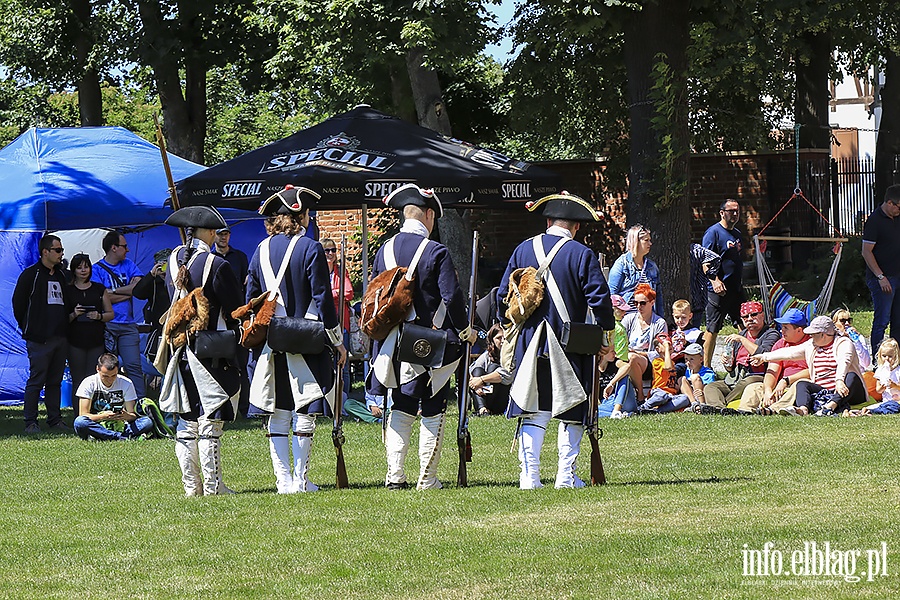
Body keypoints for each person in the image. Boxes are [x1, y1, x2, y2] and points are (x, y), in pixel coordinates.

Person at [497, 192, 614, 489]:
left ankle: (529, 476)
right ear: (576, 227)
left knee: (532, 406)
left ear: (549, 221)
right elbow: (599, 301)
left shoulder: (522, 250)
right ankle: (565, 476)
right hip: (570, 343)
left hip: (528, 344)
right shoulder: (581, 254)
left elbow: (502, 297)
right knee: (572, 408)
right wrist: (605, 334)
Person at [367, 184, 472, 491]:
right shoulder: (436, 251)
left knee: (400, 406)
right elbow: (451, 297)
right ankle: (427, 479)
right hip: (430, 340)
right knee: (433, 406)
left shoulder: (383, 250)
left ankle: (395, 477)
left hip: (393, 341)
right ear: (428, 214)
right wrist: (464, 330)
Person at [247, 186, 347, 494]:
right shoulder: (310, 248)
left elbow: (251, 298)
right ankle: (301, 481)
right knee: (304, 410)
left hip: (272, 340)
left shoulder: (259, 249)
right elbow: (323, 298)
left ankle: (283, 481)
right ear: (301, 215)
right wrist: (337, 340)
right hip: (306, 337)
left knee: (278, 412)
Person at [159, 206, 244, 496]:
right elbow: (234, 309)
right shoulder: (215, 264)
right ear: (209, 233)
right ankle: (213, 486)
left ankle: (191, 488)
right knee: (210, 421)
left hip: (180, 349)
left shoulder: (173, 260)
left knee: (187, 420)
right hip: (211, 349)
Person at [12, 234, 71, 433]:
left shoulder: (62, 275)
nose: (61, 254)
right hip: (39, 339)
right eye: (58, 250)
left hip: (60, 337)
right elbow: (18, 304)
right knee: (37, 380)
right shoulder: (31, 275)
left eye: (61, 250)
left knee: (55, 381)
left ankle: (55, 420)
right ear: (45, 252)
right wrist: (30, 327)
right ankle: (30, 421)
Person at [751, 316, 865, 416]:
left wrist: (839, 381)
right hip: (825, 391)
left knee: (851, 376)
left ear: (823, 335)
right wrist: (763, 357)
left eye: (813, 334)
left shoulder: (843, 343)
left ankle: (830, 407)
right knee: (802, 384)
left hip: (847, 391)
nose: (810, 337)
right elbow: (790, 353)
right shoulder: (812, 345)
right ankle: (802, 410)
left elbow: (844, 362)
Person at [698, 301, 780, 413]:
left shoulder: (771, 334)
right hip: (735, 377)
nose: (750, 319)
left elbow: (763, 354)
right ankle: (719, 409)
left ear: (762, 315)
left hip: (757, 375)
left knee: (747, 383)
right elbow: (730, 368)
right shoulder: (741, 335)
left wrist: (742, 340)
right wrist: (726, 362)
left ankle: (722, 407)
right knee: (711, 387)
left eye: (754, 314)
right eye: (745, 317)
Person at [92, 231, 145, 399]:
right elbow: (101, 298)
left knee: (133, 366)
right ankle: (109, 401)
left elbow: (138, 288)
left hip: (128, 325)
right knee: (108, 367)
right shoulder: (96, 269)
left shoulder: (128, 264)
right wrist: (126, 292)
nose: (128, 250)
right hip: (107, 324)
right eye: (124, 246)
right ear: (113, 248)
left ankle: (140, 403)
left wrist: (112, 292)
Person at [731, 308, 810, 415]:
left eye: (786, 328)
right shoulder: (780, 344)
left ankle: (773, 409)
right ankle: (744, 411)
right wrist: (768, 390)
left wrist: (786, 380)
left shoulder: (811, 344)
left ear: (799, 330)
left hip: (799, 384)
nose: (782, 331)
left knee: (799, 385)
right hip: (781, 386)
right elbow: (772, 369)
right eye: (782, 327)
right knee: (754, 387)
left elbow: (813, 371)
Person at [66, 254, 114, 416]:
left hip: (96, 341)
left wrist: (98, 316)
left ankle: (95, 412)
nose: (83, 270)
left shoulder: (99, 289)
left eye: (86, 266)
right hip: (75, 342)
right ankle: (78, 414)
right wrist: (74, 314)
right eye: (79, 267)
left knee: (95, 378)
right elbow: (62, 319)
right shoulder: (68, 290)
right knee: (78, 379)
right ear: (73, 270)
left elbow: (110, 314)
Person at [213, 226, 251, 418]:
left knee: (241, 364)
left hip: (238, 317)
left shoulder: (240, 257)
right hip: (218, 319)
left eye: (226, 234)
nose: (223, 237)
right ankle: (223, 406)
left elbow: (246, 284)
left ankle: (243, 407)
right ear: (214, 236)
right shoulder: (210, 259)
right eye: (220, 234)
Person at [701, 199, 745, 367]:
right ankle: (705, 367)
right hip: (718, 290)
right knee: (713, 329)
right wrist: (714, 280)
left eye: (737, 211)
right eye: (731, 210)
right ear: (722, 212)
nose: (735, 214)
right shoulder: (713, 233)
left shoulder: (737, 234)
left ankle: (747, 362)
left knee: (745, 324)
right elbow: (704, 261)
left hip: (736, 289)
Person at [72, 353, 153, 441]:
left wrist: (126, 416)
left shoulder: (126, 383)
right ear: (97, 369)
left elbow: (133, 415)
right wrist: (103, 416)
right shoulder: (88, 383)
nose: (110, 380)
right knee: (80, 422)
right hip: (97, 424)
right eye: (105, 376)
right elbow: (83, 414)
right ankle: (122, 437)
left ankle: (102, 436)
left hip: (120, 424)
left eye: (114, 375)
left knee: (147, 421)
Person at [862, 184, 900, 353]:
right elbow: (866, 252)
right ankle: (878, 361)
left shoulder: (897, 218)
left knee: (898, 321)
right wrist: (880, 276)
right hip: (883, 279)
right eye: (899, 206)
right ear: (890, 203)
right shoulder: (874, 221)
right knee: (881, 321)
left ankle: (895, 360)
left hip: (898, 275)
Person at [620, 283, 668, 404]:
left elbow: (660, 352)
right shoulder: (629, 319)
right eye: (635, 303)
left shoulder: (659, 323)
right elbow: (619, 340)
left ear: (652, 303)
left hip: (648, 361)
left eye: (642, 303)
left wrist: (639, 353)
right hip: (626, 356)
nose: (638, 306)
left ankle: (640, 395)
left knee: (633, 357)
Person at [322, 237, 354, 399]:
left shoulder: (340, 271)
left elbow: (348, 293)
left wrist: (328, 294)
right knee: (325, 364)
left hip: (341, 324)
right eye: (326, 250)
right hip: (323, 324)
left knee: (343, 364)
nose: (330, 253)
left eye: (333, 250)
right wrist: (336, 293)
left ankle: (344, 399)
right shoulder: (317, 271)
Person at [608, 224, 663, 315]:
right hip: (626, 319)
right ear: (636, 241)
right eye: (646, 240)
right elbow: (612, 294)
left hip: (648, 321)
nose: (650, 243)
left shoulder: (652, 266)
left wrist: (660, 319)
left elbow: (658, 298)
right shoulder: (622, 264)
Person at [599, 294, 638, 419]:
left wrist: (611, 384)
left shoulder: (611, 327)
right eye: (620, 310)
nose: (624, 313)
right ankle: (615, 412)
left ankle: (615, 411)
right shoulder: (617, 328)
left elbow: (624, 364)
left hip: (617, 366)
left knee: (624, 377)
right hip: (608, 399)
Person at [845, 338, 900, 416]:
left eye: (890, 356)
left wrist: (894, 386)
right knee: (879, 406)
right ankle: (857, 412)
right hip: (885, 401)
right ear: (880, 356)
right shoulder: (880, 371)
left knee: (894, 407)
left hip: (897, 401)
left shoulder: (898, 371)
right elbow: (878, 390)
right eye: (884, 356)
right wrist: (882, 387)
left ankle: (867, 412)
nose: (887, 359)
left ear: (896, 356)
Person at [637, 334, 690, 414]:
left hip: (670, 395)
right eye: (665, 344)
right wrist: (667, 349)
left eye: (669, 344)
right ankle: (643, 407)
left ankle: (656, 411)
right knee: (662, 396)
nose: (668, 346)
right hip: (658, 392)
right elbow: (668, 367)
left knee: (685, 398)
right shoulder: (657, 361)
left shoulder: (672, 363)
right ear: (657, 349)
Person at [469, 323, 512, 416]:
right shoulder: (487, 355)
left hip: (503, 396)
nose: (502, 341)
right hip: (486, 394)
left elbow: (507, 376)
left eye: (505, 337)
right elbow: (470, 370)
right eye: (499, 338)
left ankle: (485, 409)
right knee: (477, 370)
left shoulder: (512, 355)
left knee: (493, 368)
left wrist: (481, 380)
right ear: (492, 340)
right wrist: (475, 385)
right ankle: (482, 409)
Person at [681, 343, 717, 408]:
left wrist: (702, 391)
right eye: (686, 359)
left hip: (703, 397)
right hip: (693, 396)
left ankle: (702, 405)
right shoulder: (688, 370)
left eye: (691, 359)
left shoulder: (707, 373)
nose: (688, 362)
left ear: (701, 359)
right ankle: (694, 404)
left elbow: (710, 389)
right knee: (682, 379)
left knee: (695, 377)